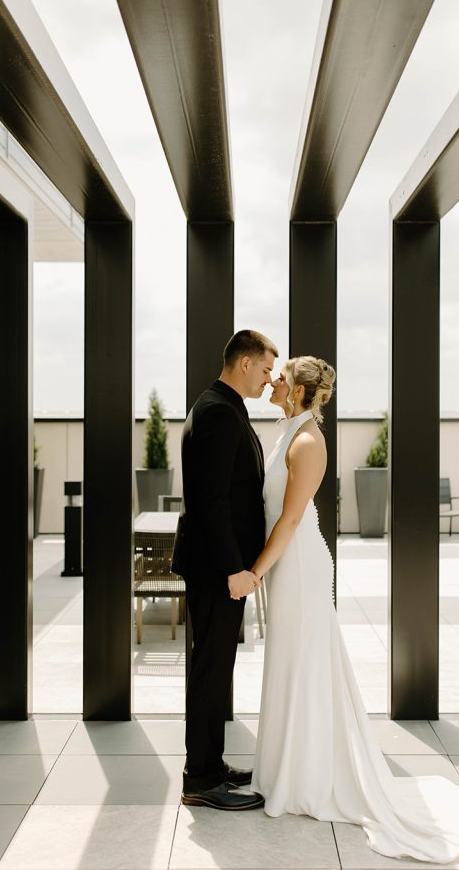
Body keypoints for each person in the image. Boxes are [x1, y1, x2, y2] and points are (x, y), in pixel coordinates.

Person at [251, 356, 459, 863]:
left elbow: (288, 521)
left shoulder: (308, 442)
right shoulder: (285, 428)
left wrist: (255, 572)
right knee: (290, 663)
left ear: (301, 391)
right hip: (288, 566)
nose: (272, 379)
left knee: (304, 663)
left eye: (281, 375)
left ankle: (306, 774)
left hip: (301, 567)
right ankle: (287, 766)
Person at [173, 329, 278, 811]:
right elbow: (210, 502)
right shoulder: (218, 411)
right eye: (264, 369)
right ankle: (200, 779)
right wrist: (236, 568)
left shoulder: (219, 405)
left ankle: (210, 766)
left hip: (218, 567)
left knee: (214, 669)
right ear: (243, 364)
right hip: (218, 569)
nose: (268, 378)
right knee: (210, 670)